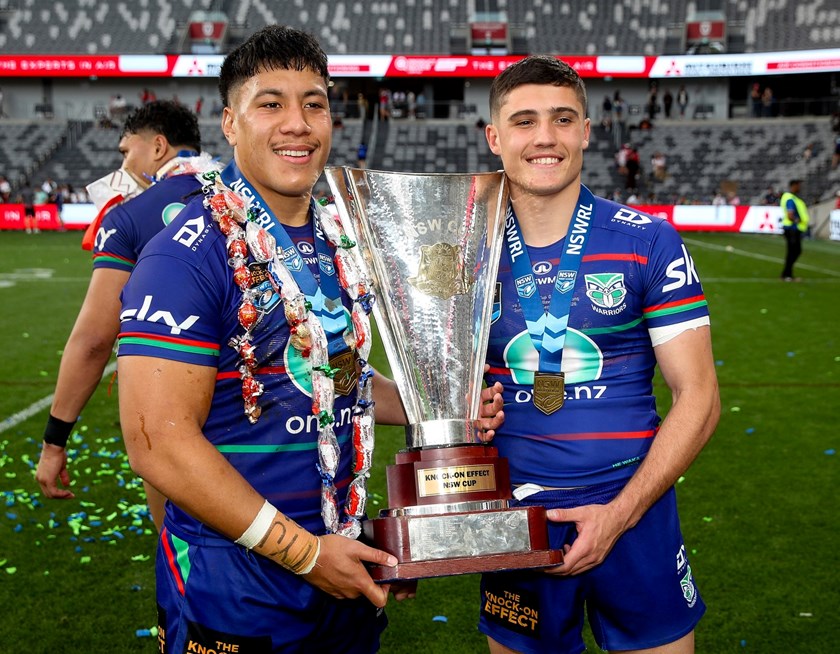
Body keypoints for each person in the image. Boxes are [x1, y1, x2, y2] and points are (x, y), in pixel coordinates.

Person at [115, 25, 504, 652]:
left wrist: (436, 409)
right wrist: (302, 553)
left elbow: (332, 374)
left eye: (314, 103)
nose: (297, 123)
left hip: (340, 560)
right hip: (238, 581)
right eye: (270, 104)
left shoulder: (335, 238)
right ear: (230, 123)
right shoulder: (186, 255)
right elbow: (156, 442)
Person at [480, 55, 719, 654]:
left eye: (563, 119)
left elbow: (700, 397)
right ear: (495, 137)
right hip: (516, 518)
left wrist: (620, 513)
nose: (544, 137)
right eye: (525, 120)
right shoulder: (464, 255)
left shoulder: (648, 240)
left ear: (586, 132)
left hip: (636, 513)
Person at [34, 100, 215, 532]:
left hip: (173, 414)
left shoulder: (129, 216)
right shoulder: (249, 192)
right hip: (272, 411)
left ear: (157, 147)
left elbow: (95, 340)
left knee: (185, 560)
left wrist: (54, 441)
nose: (122, 162)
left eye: (125, 151)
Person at [780, 179, 809, 281]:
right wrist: (798, 220)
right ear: (793, 186)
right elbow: (790, 215)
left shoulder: (793, 198)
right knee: (794, 251)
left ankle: (787, 273)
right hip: (792, 229)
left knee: (794, 251)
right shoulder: (790, 198)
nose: (800, 187)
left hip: (793, 229)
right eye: (798, 185)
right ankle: (787, 274)